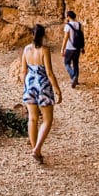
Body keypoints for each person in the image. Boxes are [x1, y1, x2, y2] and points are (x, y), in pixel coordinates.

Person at [21, 23, 62, 162]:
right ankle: (37, 149)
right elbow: (49, 72)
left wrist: (25, 85)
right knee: (47, 119)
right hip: (43, 85)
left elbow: (23, 71)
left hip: (29, 83)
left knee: (32, 119)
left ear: (32, 35)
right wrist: (57, 90)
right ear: (43, 35)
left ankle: (35, 151)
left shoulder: (26, 49)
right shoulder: (45, 50)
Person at [63, 10, 84, 88]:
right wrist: (82, 47)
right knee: (75, 63)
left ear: (68, 17)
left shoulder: (67, 26)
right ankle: (76, 80)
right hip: (77, 48)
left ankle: (73, 76)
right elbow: (82, 37)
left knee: (66, 63)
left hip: (69, 48)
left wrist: (63, 48)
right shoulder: (79, 25)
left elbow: (65, 38)